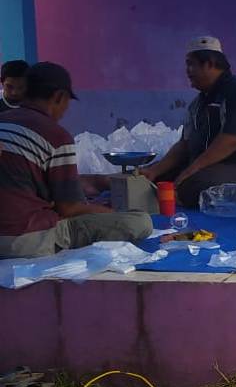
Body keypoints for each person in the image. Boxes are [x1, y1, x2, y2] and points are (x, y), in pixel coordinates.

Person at [0, 62, 152, 258]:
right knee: (140, 221)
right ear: (59, 97)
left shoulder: (3, 121)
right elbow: (69, 208)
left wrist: (97, 183)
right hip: (26, 240)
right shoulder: (56, 136)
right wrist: (112, 213)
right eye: (67, 103)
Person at [141, 36, 236, 208]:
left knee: (192, 184)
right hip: (209, 167)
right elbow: (184, 145)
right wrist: (155, 170)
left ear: (209, 63)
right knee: (149, 178)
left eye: (191, 64)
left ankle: (175, 199)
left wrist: (191, 170)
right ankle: (113, 185)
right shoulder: (198, 103)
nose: (187, 71)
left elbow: (232, 139)